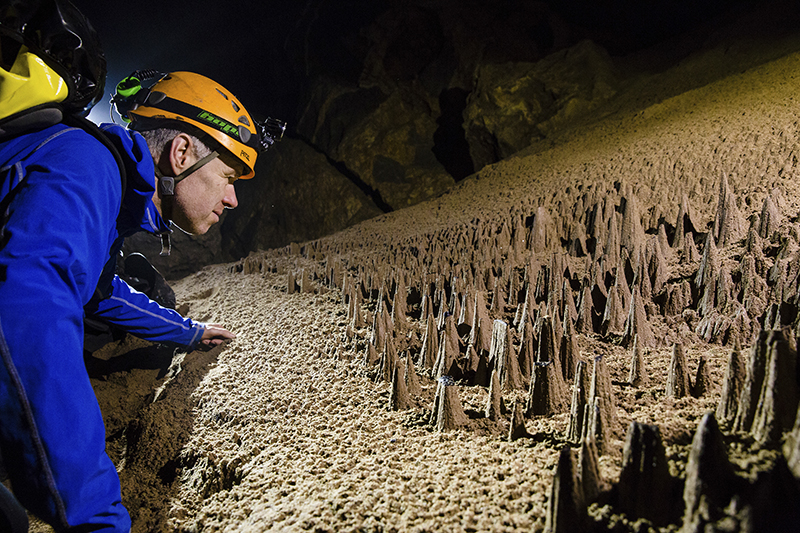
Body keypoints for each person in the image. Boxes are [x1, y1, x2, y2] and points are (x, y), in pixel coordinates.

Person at [0, 0, 282, 530]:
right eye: (228, 176)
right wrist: (96, 517)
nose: (233, 200)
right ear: (180, 154)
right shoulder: (85, 168)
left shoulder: (100, 182)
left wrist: (188, 332)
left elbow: (99, 290)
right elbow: (27, 313)